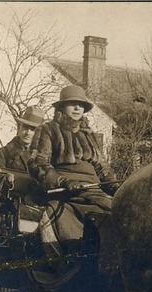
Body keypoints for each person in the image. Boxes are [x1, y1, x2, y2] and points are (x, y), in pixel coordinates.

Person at [30, 85, 116, 247]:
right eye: (72, 104)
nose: (77, 108)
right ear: (61, 107)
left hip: (95, 193)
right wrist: (63, 182)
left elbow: (102, 168)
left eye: (81, 104)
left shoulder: (89, 135)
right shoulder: (48, 130)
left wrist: (115, 186)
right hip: (67, 193)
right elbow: (38, 163)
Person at [0, 105, 46, 197]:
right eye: (25, 127)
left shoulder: (45, 156)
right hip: (12, 201)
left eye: (33, 129)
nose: (28, 133)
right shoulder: (3, 153)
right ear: (20, 128)